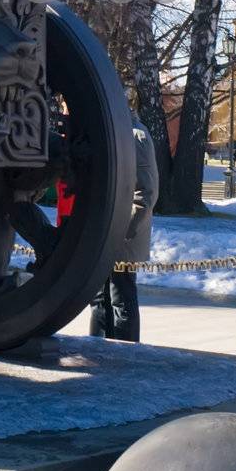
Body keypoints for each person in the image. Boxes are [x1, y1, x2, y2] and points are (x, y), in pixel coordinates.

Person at [89, 113, 158, 342]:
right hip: (105, 230)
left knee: (120, 299)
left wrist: (125, 229)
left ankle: (124, 351)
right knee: (99, 299)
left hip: (122, 233)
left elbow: (145, 193)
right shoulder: (111, 133)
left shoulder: (135, 135)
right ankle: (97, 346)